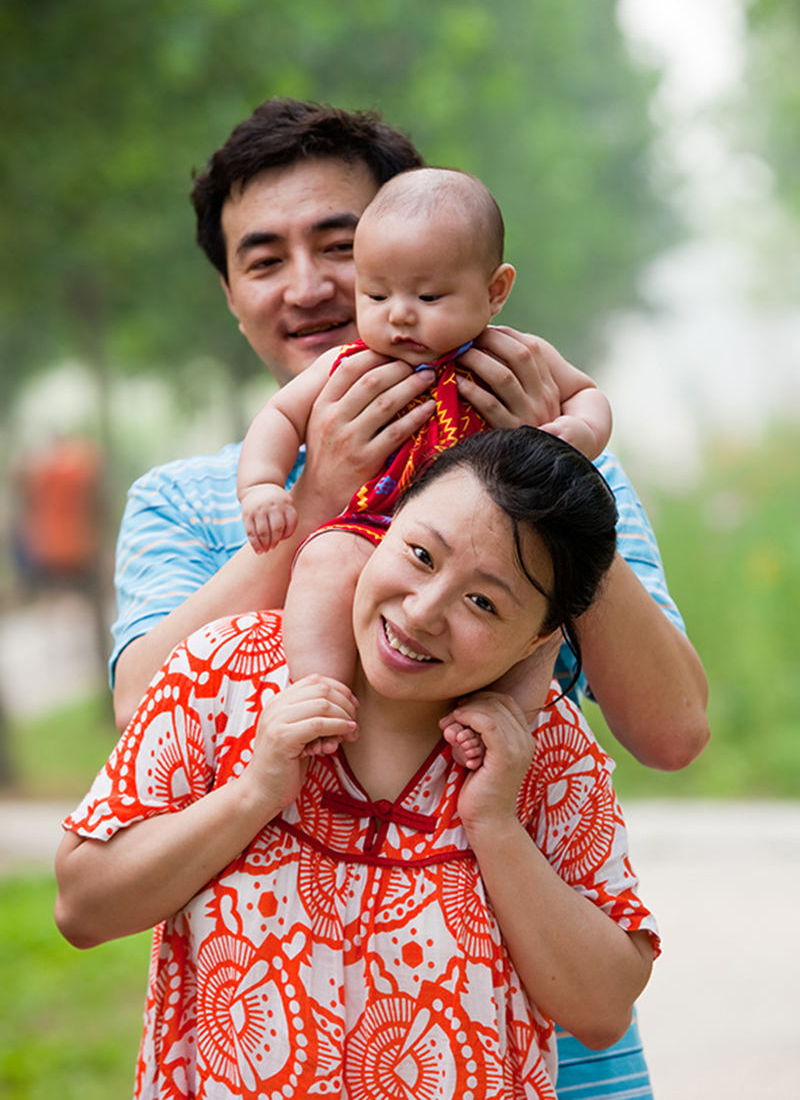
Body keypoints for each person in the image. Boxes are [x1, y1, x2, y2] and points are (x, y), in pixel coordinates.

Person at [108, 97, 708, 1098]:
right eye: (262, 259)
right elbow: (142, 711)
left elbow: (673, 731)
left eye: (338, 245)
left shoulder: (560, 465)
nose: (309, 287)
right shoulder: (186, 503)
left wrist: (544, 482)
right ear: (228, 292)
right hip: (286, 1041)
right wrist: (310, 502)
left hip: (555, 1054)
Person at [57, 428, 659, 1100]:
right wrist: (253, 792)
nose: (423, 610)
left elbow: (603, 1010)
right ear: (384, 522)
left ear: (541, 637)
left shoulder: (544, 745)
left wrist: (495, 824)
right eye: (421, 554)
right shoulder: (221, 671)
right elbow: (83, 906)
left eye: (483, 601)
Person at [237, 167, 612, 693]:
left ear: (495, 290)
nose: (400, 317)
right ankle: (320, 693)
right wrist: (262, 485)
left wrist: (578, 434)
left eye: (429, 298)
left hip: (492, 550)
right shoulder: (351, 365)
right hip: (374, 528)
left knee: (534, 618)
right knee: (324, 561)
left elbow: (587, 394)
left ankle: (505, 716)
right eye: (376, 296)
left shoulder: (514, 358)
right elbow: (279, 416)